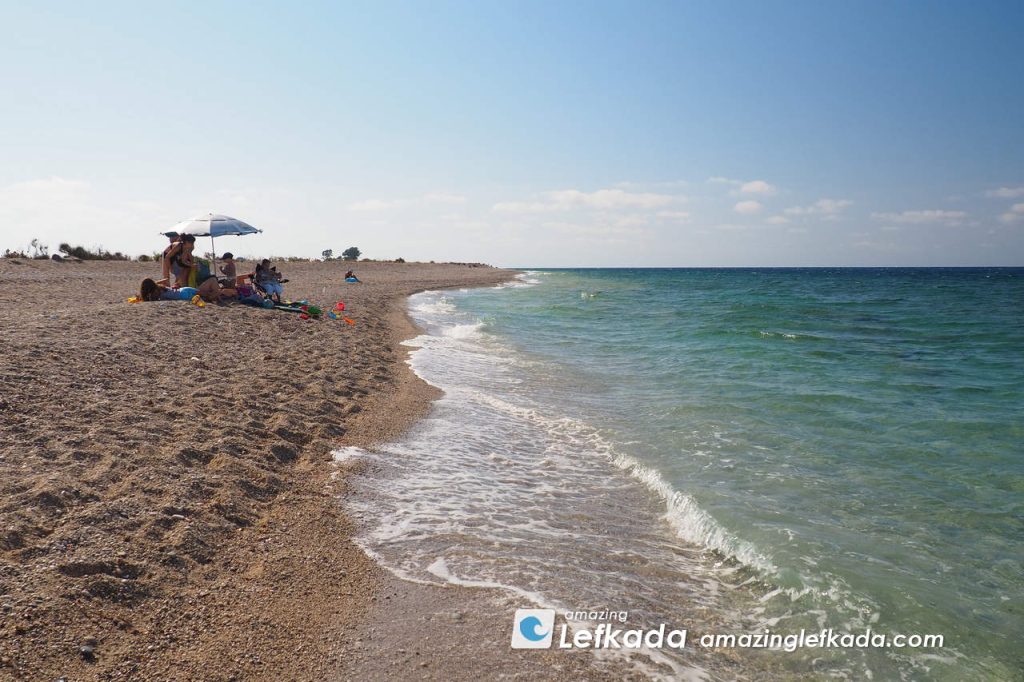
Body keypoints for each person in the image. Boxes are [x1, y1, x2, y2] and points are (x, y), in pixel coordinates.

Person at [139, 276, 226, 303]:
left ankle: (220, 293)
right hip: (185, 289)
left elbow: (150, 300)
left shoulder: (155, 293)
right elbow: (165, 280)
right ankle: (220, 293)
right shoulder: (160, 288)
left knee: (208, 297)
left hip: (182, 295)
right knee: (207, 295)